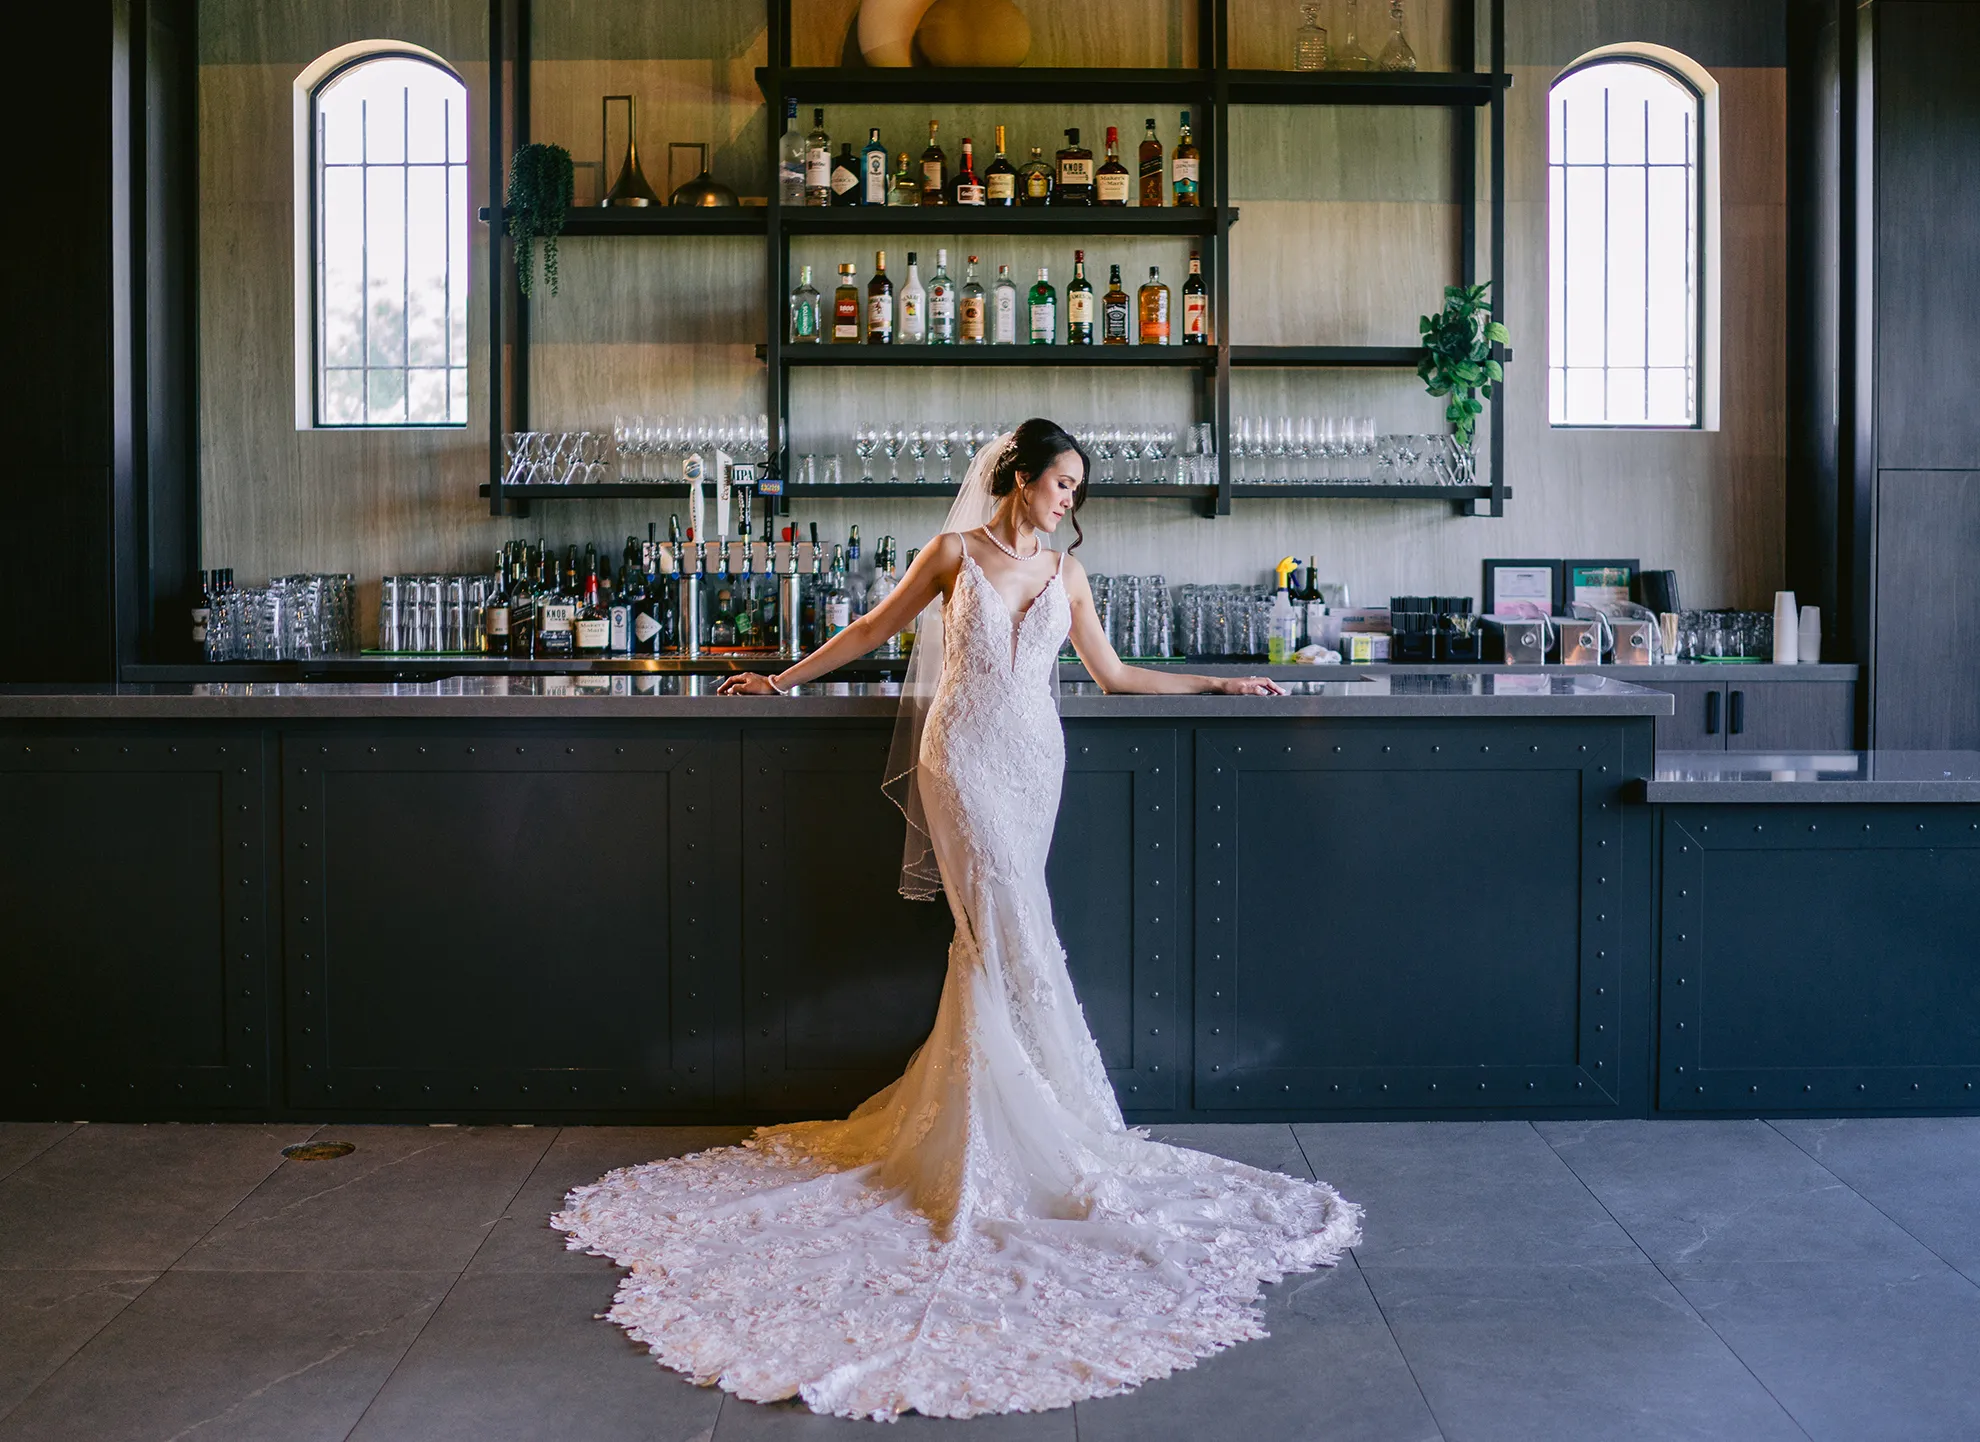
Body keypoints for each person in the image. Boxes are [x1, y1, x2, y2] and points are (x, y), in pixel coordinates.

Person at [554, 419, 1360, 1421]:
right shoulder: (950, 554)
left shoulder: (1067, 573)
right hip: (965, 758)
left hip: (1036, 762)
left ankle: (1019, 1127)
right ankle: (1000, 1141)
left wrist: (1219, 678)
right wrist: (784, 677)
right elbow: (869, 633)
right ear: (1016, 477)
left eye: (1076, 488)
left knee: (1009, 936)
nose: (1069, 498)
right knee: (1002, 930)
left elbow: (1112, 675)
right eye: (1059, 481)